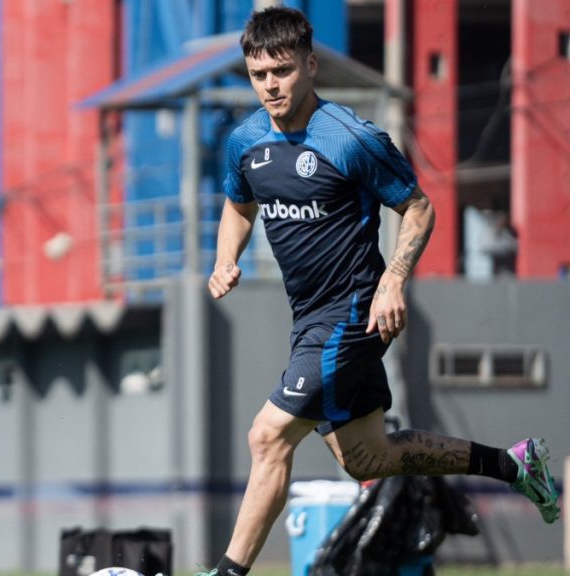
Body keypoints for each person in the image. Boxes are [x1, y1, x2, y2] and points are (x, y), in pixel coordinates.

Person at [199, 7, 560, 576]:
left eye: (283, 70)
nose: (270, 84)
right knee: (367, 456)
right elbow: (238, 204)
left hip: (352, 315)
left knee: (267, 437)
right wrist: (225, 258)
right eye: (259, 74)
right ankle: (515, 465)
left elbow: (418, 207)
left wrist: (393, 279)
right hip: (308, 320)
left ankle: (226, 574)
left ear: (311, 65)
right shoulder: (245, 141)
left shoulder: (351, 139)